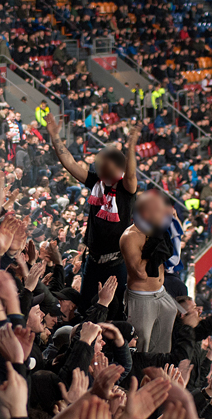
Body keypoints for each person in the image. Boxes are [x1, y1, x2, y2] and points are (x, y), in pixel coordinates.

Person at [46, 115, 141, 314]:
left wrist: (131, 148)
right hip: (93, 260)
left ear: (119, 168)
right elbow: (70, 164)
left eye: (107, 164)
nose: (102, 167)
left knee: (115, 310)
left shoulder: (126, 188)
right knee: (85, 308)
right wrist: (55, 136)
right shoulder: (96, 182)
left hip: (117, 262)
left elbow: (132, 174)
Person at [120, 191, 180, 353]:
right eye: (159, 210)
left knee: (162, 349)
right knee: (141, 347)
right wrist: (154, 243)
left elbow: (171, 257)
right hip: (142, 299)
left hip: (161, 293)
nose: (164, 214)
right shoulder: (130, 236)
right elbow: (141, 273)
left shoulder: (157, 230)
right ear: (146, 214)